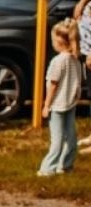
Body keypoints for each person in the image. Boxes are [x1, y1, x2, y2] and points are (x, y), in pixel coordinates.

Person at [39, 18, 84, 175]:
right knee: (68, 139)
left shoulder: (60, 61)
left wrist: (46, 104)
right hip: (65, 104)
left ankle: (59, 167)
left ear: (59, 41)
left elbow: (53, 84)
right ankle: (51, 168)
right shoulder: (74, 61)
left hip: (60, 104)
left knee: (60, 140)